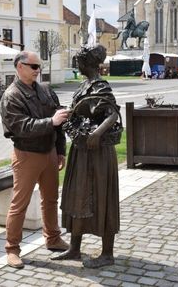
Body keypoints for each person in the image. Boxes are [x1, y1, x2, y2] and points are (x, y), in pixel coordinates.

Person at [52, 45, 121, 268]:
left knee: (102, 196)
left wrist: (96, 134)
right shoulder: (84, 85)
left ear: (88, 63)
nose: (76, 65)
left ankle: (107, 253)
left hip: (98, 153)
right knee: (77, 195)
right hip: (81, 152)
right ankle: (74, 249)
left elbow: (112, 115)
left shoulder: (100, 85)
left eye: (78, 61)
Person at [0, 51, 70, 268]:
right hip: (26, 155)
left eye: (39, 66)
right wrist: (51, 122)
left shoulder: (45, 90)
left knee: (50, 200)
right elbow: (21, 127)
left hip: (48, 152)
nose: (38, 70)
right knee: (19, 205)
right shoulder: (12, 96)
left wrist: (60, 151)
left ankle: (53, 238)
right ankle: (12, 249)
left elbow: (59, 123)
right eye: (33, 66)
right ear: (20, 67)